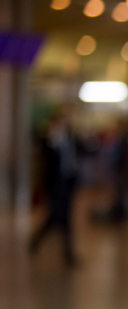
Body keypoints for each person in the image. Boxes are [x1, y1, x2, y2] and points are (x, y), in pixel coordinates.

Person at [30, 109, 80, 266]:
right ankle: (65, 252)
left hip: (68, 182)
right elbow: (46, 161)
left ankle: (67, 253)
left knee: (62, 219)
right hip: (56, 185)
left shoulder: (70, 137)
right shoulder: (50, 139)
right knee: (57, 218)